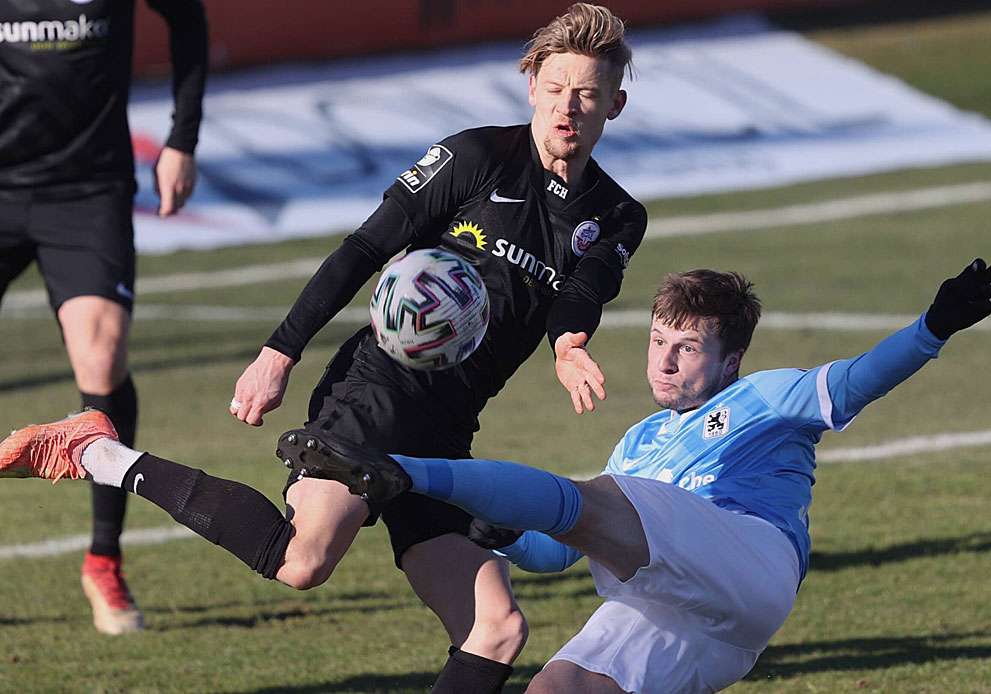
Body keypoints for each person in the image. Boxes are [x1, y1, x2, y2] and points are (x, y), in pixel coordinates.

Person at [2, 4, 643, 691]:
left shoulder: (615, 214)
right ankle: (95, 450)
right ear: (531, 89)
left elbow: (585, 288)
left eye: (585, 94)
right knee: (302, 562)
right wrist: (280, 352)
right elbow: (365, 248)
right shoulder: (478, 157)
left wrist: (568, 341)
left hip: (447, 429)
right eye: (553, 90)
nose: (566, 108)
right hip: (377, 394)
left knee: (498, 628)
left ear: (615, 103)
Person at [271, 258, 991, 692]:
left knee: (601, 499)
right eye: (658, 341)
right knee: (555, 688)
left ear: (730, 361)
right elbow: (558, 552)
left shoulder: (765, 395)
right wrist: (496, 536)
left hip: (749, 563)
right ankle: (413, 477)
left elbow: (858, 380)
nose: (664, 359)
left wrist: (932, 327)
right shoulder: (641, 440)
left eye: (687, 348)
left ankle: (399, 471)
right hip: (686, 618)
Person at [0, 0, 208, 635]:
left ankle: (103, 559)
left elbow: (188, 20)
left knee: (102, 357)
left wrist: (181, 139)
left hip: (87, 192)